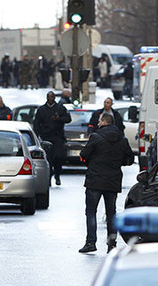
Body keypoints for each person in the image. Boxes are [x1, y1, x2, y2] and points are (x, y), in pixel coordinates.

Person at [79, 113, 134, 253]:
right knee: (111, 213)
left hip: (95, 180)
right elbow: (130, 159)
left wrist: (91, 162)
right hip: (113, 180)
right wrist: (118, 163)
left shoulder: (96, 137)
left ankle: (91, 242)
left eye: (99, 121)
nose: (97, 124)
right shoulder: (122, 139)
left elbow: (84, 154)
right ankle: (111, 243)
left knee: (91, 212)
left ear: (104, 122)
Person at [32, 91, 71, 185]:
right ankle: (48, 178)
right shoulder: (41, 109)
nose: (50, 99)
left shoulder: (60, 108)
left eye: (52, 97)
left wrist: (59, 119)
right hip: (46, 136)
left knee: (58, 157)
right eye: (48, 97)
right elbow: (36, 123)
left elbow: (68, 119)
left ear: (54, 98)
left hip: (58, 136)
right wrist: (36, 136)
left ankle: (57, 174)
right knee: (48, 158)